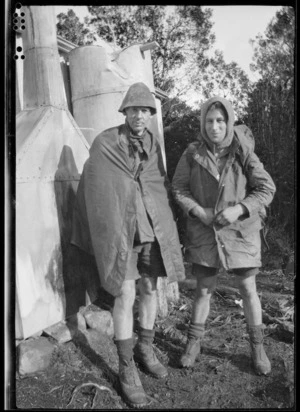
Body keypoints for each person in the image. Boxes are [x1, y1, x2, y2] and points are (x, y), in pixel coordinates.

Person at [71, 82, 185, 408]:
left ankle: (144, 348)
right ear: (124, 112)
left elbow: (157, 185)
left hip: (150, 230)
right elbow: (93, 185)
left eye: (145, 110)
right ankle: (126, 367)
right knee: (125, 293)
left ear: (151, 114)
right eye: (133, 109)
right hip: (122, 233)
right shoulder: (106, 142)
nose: (139, 115)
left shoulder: (154, 143)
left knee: (150, 289)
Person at [172, 96, 276, 376]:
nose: (215, 126)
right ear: (203, 124)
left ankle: (257, 347)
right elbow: (179, 189)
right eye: (209, 121)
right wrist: (198, 211)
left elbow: (266, 189)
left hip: (241, 231)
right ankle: (193, 344)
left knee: (248, 289)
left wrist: (240, 209)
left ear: (229, 122)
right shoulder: (192, 153)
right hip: (205, 231)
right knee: (203, 290)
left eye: (220, 120)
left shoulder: (242, 151)